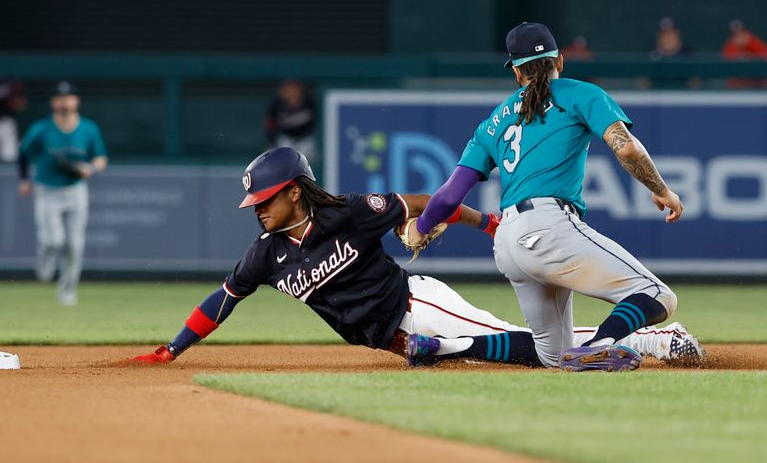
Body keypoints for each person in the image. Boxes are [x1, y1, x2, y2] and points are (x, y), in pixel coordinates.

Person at [129, 148, 703, 368]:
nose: (256, 209)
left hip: (418, 305)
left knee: (540, 353)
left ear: (294, 191)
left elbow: (430, 202)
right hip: (396, 338)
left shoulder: (349, 213)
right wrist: (173, 348)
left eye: (264, 199)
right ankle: (649, 338)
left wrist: (488, 222)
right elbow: (222, 299)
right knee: (521, 346)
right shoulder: (265, 255)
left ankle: (653, 339)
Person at [408, 22, 687, 372]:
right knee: (658, 295)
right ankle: (600, 344)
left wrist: (421, 227)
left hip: (509, 242)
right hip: (550, 226)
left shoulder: (493, 122)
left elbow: (449, 197)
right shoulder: (580, 93)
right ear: (561, 60)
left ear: (515, 71)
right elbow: (627, 148)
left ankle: (439, 348)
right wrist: (662, 191)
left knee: (551, 355)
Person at [17, 81, 108, 306]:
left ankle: (67, 289)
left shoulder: (88, 128)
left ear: (76, 101)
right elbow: (23, 154)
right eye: (59, 97)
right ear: (53, 102)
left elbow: (101, 158)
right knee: (53, 240)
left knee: (75, 244)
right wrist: (24, 179)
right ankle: (46, 260)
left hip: (75, 189)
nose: (64, 101)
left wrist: (91, 168)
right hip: (47, 189)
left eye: (68, 97)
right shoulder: (41, 128)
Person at [264, 79, 318, 164]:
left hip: (306, 139)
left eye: (294, 90)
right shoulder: (277, 105)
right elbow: (270, 125)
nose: (291, 93)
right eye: (288, 90)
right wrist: (271, 142)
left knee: (308, 164)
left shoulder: (309, 103)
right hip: (286, 139)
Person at [721, 20, 767, 89]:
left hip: (757, 82)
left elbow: (764, 55)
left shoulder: (753, 42)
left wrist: (751, 55)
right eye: (735, 33)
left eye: (740, 32)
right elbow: (726, 61)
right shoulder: (730, 45)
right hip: (739, 84)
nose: (738, 35)